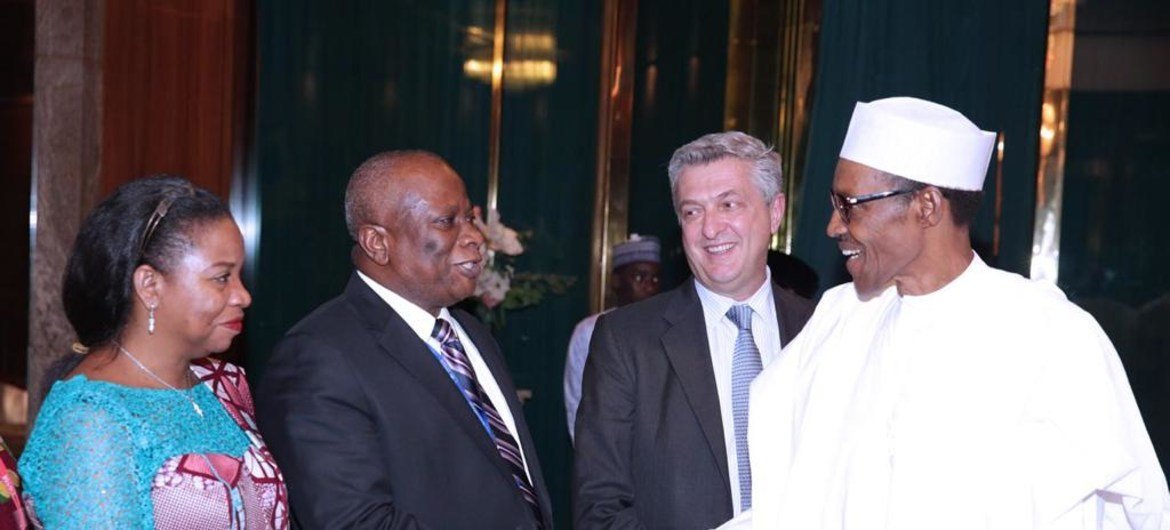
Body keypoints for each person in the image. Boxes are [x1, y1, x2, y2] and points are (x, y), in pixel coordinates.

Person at [735, 97, 1170, 529]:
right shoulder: (839, 320)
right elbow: (786, 501)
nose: (833, 225)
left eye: (851, 205)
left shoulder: (1048, 334)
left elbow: (1138, 507)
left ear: (927, 206)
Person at [256, 150, 553, 529]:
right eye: (447, 222)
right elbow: (354, 521)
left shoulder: (471, 332)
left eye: (471, 219)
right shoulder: (318, 356)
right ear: (377, 243)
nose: (476, 238)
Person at [573, 131, 815, 529]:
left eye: (729, 204)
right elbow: (601, 507)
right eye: (692, 212)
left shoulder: (822, 329)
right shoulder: (626, 340)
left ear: (775, 212)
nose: (710, 228)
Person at [19, 176, 289, 529]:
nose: (243, 295)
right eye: (222, 278)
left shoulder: (222, 382)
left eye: (240, 275)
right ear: (150, 285)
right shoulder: (89, 422)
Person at [563, 234, 662, 443]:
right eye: (639, 277)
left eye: (654, 278)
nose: (650, 286)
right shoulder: (588, 331)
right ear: (617, 281)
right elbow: (576, 404)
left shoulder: (669, 331)